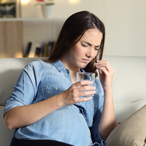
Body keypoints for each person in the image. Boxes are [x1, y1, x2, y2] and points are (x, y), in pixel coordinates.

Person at [3, 11, 117, 146]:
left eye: (96, 48)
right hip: (37, 141)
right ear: (68, 39)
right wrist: (63, 98)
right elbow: (11, 120)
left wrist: (108, 88)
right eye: (85, 45)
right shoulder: (38, 69)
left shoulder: (95, 85)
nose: (90, 54)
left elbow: (109, 136)